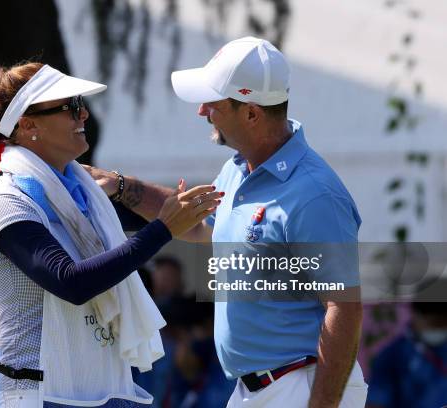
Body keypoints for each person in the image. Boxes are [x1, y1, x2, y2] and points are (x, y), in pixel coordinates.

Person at [85, 37, 368, 407]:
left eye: (213, 103)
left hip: (303, 386)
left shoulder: (314, 194)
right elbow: (199, 225)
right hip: (260, 388)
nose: (202, 110)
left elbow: (343, 307)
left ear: (251, 114)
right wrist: (123, 187)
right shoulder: (238, 168)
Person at [0, 61, 222, 407]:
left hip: (99, 391)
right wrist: (163, 229)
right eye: (70, 107)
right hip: (36, 396)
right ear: (28, 126)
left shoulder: (80, 195)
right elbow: (71, 282)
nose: (84, 115)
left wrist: (122, 186)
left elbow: (199, 226)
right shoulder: (8, 202)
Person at [367, 302, 447, 408]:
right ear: (416, 316)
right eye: (434, 323)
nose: (438, 328)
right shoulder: (392, 356)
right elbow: (376, 401)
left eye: (443, 323)